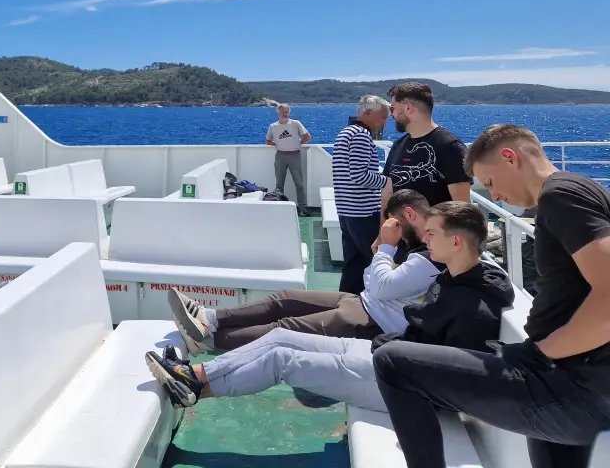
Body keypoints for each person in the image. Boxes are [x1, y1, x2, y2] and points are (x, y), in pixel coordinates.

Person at [373, 124, 610, 468]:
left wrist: (539, 354)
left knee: (393, 362)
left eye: (492, 183)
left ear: (510, 158)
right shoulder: (584, 188)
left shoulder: (561, 196)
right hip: (579, 380)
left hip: (568, 387)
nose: (495, 197)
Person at [145, 201, 513, 413]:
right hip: (386, 354)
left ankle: (194, 385)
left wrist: (390, 354)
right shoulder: (454, 277)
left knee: (281, 360)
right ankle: (195, 376)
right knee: (281, 336)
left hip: (407, 384)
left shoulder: (473, 302)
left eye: (432, 235)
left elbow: (452, 369)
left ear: (458, 241)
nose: (425, 242)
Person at [169, 189, 440, 352]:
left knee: (285, 328)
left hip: (375, 320)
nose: (395, 231)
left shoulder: (431, 253)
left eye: (396, 223)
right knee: (286, 298)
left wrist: (385, 250)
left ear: (409, 214)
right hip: (366, 302)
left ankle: (209, 341)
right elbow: (372, 282)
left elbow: (381, 286)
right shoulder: (412, 244)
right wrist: (384, 253)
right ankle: (211, 318)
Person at [382, 82, 471, 213]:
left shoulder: (450, 146)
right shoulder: (398, 146)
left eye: (392, 108)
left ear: (408, 108)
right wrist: (382, 232)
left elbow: (462, 208)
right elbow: (387, 196)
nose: (391, 115)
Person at [333, 94, 392, 294]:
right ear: (367, 112)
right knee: (376, 260)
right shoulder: (360, 135)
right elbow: (359, 176)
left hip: (346, 210)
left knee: (353, 264)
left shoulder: (346, 132)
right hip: (362, 212)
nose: (384, 122)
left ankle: (344, 302)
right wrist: (389, 181)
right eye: (383, 117)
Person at [266, 104, 312, 215]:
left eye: (286, 111)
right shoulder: (273, 126)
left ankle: (303, 208)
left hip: (294, 156)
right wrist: (279, 145)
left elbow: (307, 137)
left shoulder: (296, 124)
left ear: (289, 112)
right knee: (279, 184)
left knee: (299, 184)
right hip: (280, 156)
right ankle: (279, 207)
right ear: (278, 113)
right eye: (282, 111)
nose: (284, 114)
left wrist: (299, 143)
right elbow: (268, 141)